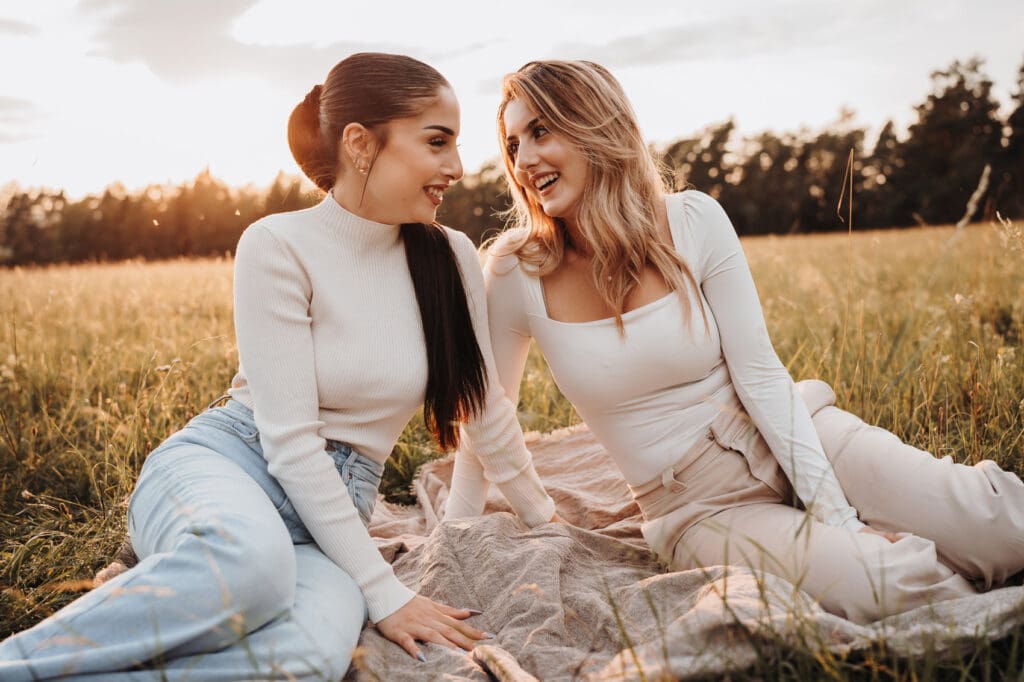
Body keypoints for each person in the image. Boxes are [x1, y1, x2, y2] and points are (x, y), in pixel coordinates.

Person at [0, 52, 558, 681]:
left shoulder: (449, 254)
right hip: (233, 463)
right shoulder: (278, 243)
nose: (456, 167)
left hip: (335, 515)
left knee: (309, 658)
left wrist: (549, 523)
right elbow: (291, 445)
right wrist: (387, 592)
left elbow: (482, 408)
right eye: (437, 142)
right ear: (358, 143)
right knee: (249, 569)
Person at [445, 59, 1024, 624]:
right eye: (514, 142)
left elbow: (760, 372)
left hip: (794, 431)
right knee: (895, 585)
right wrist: (456, 538)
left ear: (598, 125)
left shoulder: (693, 219)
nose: (524, 160)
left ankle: (939, 542)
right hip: (697, 509)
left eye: (540, 130)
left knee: (995, 522)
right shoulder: (518, 269)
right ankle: (932, 567)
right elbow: (486, 413)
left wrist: (838, 518)